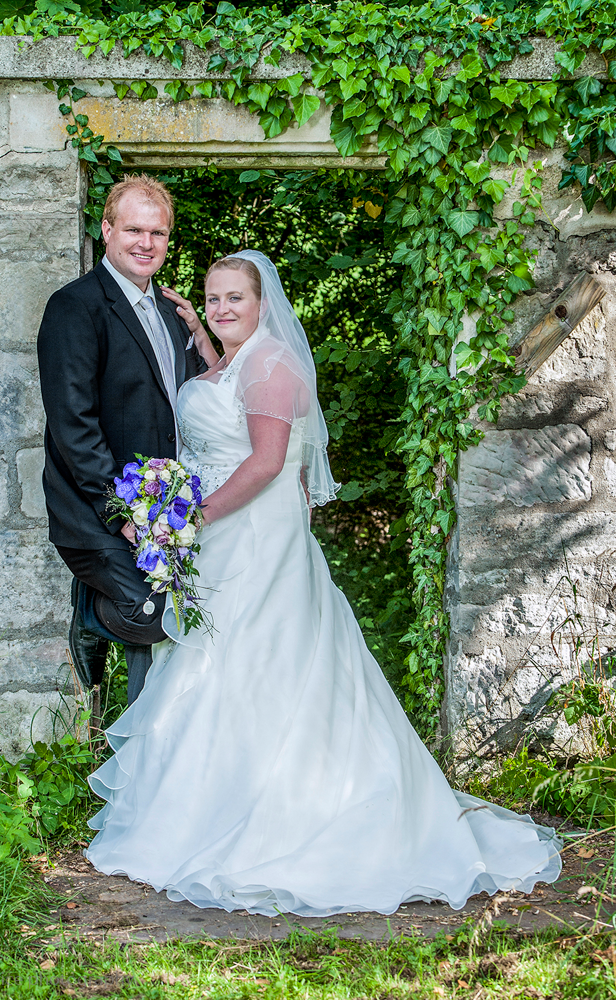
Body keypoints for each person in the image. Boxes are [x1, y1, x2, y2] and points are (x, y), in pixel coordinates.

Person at [85, 250, 562, 917]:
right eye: (212, 298)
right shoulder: (231, 362)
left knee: (262, 660)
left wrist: (190, 519)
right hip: (220, 539)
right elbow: (223, 406)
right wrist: (198, 336)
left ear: (262, 303)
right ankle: (205, 807)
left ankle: (287, 816)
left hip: (255, 536)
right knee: (214, 662)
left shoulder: (274, 366)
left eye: (235, 298)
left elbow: (265, 464)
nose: (222, 308)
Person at [37, 175, 219, 705]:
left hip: (166, 508)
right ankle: (90, 613)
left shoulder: (170, 311)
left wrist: (201, 335)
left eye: (157, 233)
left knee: (186, 615)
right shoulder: (75, 306)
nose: (146, 243)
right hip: (97, 514)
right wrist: (121, 513)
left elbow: (192, 403)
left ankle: (144, 742)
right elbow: (73, 422)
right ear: (107, 229)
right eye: (134, 229)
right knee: (156, 615)